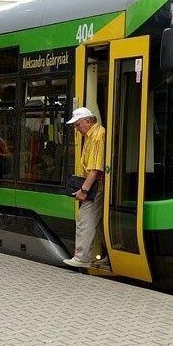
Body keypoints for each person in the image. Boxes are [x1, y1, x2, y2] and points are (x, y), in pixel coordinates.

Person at [63, 107, 107, 268]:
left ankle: (82, 258)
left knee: (84, 218)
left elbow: (95, 168)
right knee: (100, 221)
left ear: (88, 121)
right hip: (95, 185)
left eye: (78, 125)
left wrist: (84, 190)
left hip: (96, 187)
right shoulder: (90, 135)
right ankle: (109, 256)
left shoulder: (97, 136)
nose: (77, 129)